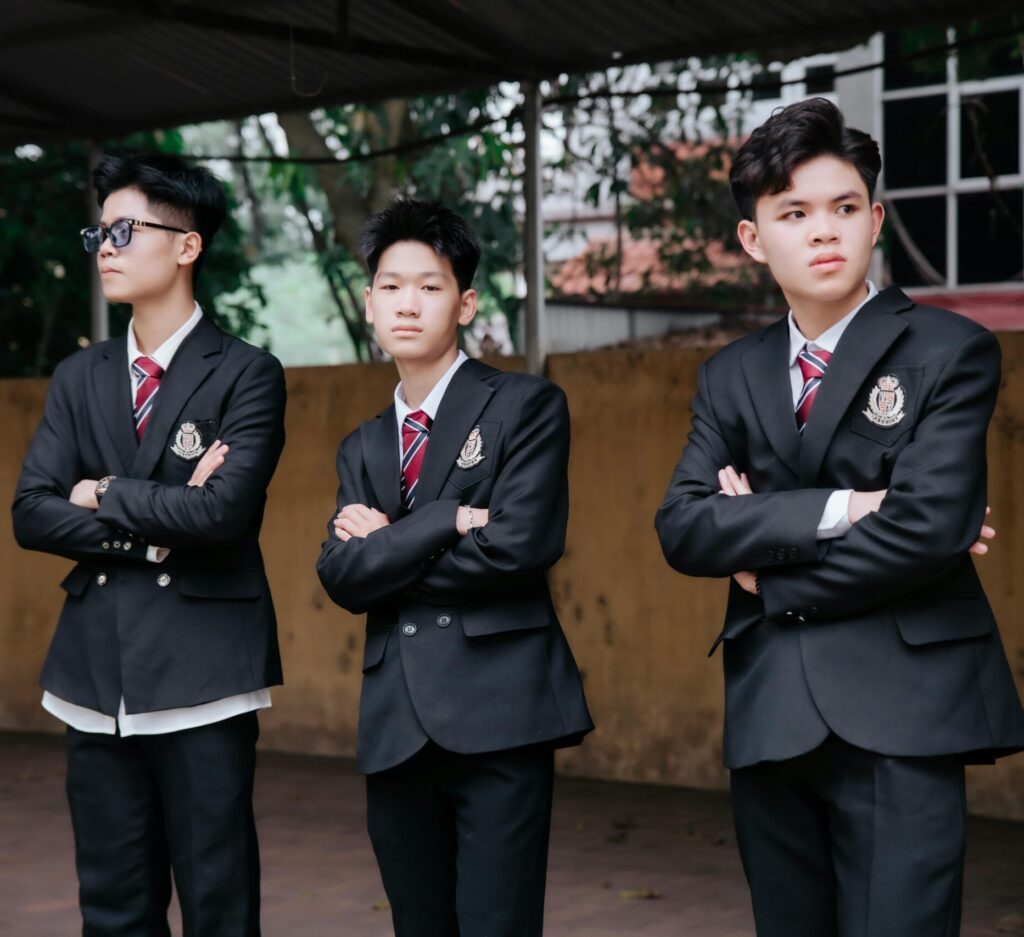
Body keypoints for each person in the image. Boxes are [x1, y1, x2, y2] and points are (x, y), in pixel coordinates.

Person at [655, 98, 1024, 937]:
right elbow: (683, 526)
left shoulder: (948, 349)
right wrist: (850, 505)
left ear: (875, 219)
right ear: (754, 238)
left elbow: (928, 527)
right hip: (770, 709)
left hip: (906, 707)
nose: (824, 231)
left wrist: (765, 569)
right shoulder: (728, 375)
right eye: (794, 213)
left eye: (845, 208)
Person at [12, 152, 287, 937]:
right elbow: (30, 513)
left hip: (207, 672)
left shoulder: (248, 373)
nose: (106, 244)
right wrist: (156, 530)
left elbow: (223, 516)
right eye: (100, 229)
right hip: (92, 678)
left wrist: (101, 491)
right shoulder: (79, 375)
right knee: (113, 908)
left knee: (218, 905)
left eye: (126, 229)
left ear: (188, 246)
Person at [316, 198, 593, 937]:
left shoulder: (526, 405)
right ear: (369, 299)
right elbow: (341, 577)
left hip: (501, 713)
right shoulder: (363, 445)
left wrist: (390, 543)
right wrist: (446, 520)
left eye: (430, 286)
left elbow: (518, 546)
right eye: (391, 285)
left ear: (465, 302)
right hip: (396, 723)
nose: (408, 303)